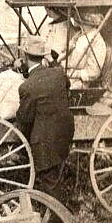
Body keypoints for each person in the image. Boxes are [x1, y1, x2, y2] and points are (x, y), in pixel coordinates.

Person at [14, 36, 75, 205]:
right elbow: (66, 85)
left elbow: (25, 119)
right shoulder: (58, 73)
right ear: (43, 57)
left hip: (46, 141)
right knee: (54, 172)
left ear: (25, 58)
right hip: (66, 132)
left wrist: (21, 145)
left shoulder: (27, 86)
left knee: (50, 182)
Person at [64, 11, 107, 89]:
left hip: (80, 82)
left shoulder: (97, 41)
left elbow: (93, 72)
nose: (77, 23)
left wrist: (74, 74)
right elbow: (67, 57)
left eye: (80, 21)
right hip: (67, 75)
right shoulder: (80, 35)